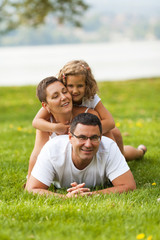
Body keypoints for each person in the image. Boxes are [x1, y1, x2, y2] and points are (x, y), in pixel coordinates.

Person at [32, 60, 147, 161]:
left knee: (122, 152)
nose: (74, 91)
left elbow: (110, 122)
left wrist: (86, 131)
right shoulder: (61, 100)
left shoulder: (91, 98)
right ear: (63, 84)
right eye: (70, 86)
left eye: (80, 86)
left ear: (87, 85)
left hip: (100, 130)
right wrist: (55, 127)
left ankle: (139, 152)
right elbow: (36, 122)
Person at [26, 113, 136, 198]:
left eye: (94, 138)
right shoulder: (52, 149)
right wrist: (65, 198)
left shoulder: (109, 146)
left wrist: (91, 195)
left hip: (115, 153)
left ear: (100, 138)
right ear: (70, 137)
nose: (88, 144)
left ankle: (141, 150)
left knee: (129, 154)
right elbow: (31, 189)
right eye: (82, 137)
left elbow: (129, 186)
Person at [26, 76, 100, 182]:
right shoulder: (45, 124)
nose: (64, 97)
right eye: (55, 96)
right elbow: (37, 154)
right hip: (63, 172)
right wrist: (30, 179)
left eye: (64, 92)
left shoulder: (88, 114)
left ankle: (131, 153)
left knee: (124, 152)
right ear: (45, 105)